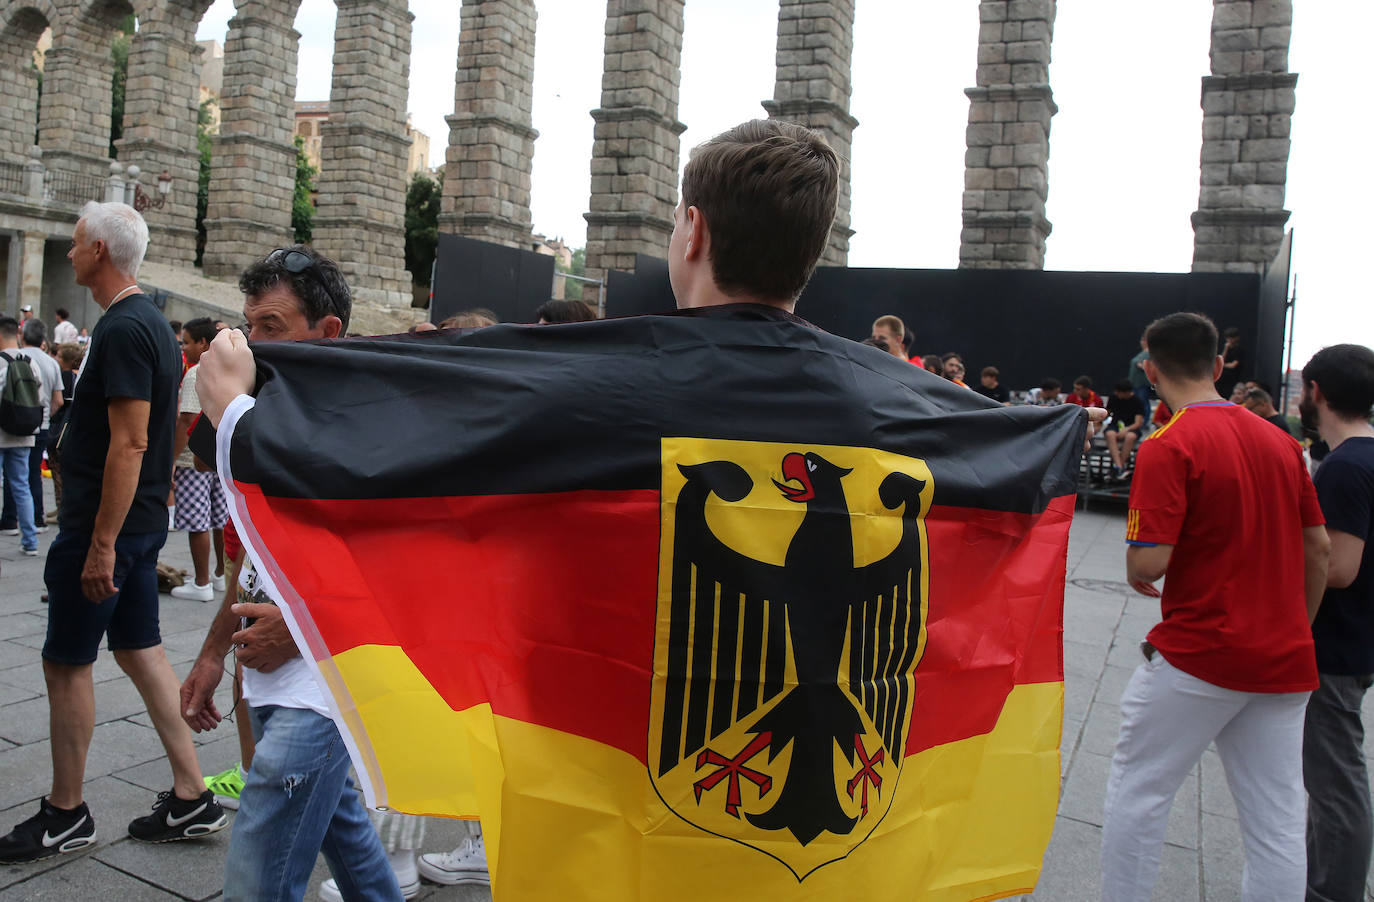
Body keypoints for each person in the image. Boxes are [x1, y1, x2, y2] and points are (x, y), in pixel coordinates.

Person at [0, 202, 226, 865]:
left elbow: (128, 444)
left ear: (99, 249)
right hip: (136, 524)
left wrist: (100, 543)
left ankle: (66, 812)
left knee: (66, 663)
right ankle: (193, 794)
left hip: (109, 525)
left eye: (74, 245)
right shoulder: (147, 323)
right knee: (139, 648)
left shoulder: (127, 328)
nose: (69, 254)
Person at [179, 246, 403, 902]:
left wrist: (306, 628)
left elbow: (402, 567)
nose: (253, 342)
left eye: (271, 326)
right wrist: (213, 651)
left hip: (329, 682)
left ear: (326, 331)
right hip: (278, 671)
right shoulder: (272, 407)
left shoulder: (372, 419)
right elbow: (258, 552)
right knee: (347, 837)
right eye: (249, 326)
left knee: (256, 875)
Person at [1100, 312, 1330, 902]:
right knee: (1276, 817)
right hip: (1283, 661)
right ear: (1220, 366)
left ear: (1150, 371)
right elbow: (1319, 548)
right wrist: (1296, 626)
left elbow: (1149, 563)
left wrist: (1133, 564)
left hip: (1200, 654)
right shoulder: (1282, 442)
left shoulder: (1168, 444)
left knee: (1140, 790)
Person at [1298, 344, 1374, 902]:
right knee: (1330, 780)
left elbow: (1339, 567)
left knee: (1334, 783)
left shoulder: (1345, 466)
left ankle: (1333, 893)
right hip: (1360, 639)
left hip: (1336, 645)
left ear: (1316, 391)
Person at [169, 318, 227, 601]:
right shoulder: (222, 371)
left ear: (203, 343)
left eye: (188, 341)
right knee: (218, 518)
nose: (185, 346)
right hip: (216, 456)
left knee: (196, 521)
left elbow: (187, 419)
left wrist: (171, 460)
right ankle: (219, 574)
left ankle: (201, 581)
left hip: (192, 458)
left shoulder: (195, 373)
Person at [1, 319, 63, 534]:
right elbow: (58, 400)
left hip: (8, 426)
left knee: (12, 476)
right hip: (38, 425)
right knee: (29, 476)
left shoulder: (9, 359)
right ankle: (36, 522)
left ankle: (9, 520)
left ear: (23, 336)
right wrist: (42, 417)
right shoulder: (49, 363)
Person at [0, 316, 38, 556]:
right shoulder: (30, 362)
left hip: (1, 432)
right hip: (24, 434)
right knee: (21, 485)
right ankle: (30, 541)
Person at [47, 343, 82, 518]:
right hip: (73, 428)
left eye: (59, 356)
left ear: (67, 360)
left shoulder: (65, 376)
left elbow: (60, 401)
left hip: (61, 426)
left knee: (57, 469)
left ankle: (61, 506)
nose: (56, 359)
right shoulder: (80, 375)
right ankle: (62, 506)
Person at [1103, 379, 1146, 480]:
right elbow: (1107, 413)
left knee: (1130, 437)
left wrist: (1126, 430)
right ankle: (1119, 466)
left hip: (1130, 427)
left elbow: (1138, 423)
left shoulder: (1137, 401)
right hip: (1115, 425)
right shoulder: (1113, 398)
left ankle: (1118, 467)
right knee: (1110, 434)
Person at [1216, 326, 1247, 400]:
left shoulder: (1239, 350)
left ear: (1236, 338)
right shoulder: (1225, 348)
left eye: (1231, 338)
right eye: (1228, 338)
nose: (1229, 340)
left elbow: (1233, 365)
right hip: (1222, 379)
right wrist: (1226, 349)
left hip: (1233, 379)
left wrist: (1223, 365)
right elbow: (1221, 360)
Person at [1128, 333, 1152, 414]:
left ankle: (1144, 422)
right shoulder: (1143, 353)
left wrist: (1142, 365)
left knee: (1143, 403)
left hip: (1142, 384)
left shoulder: (1149, 353)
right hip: (1135, 383)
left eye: (1143, 340)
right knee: (1139, 403)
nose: (1141, 342)